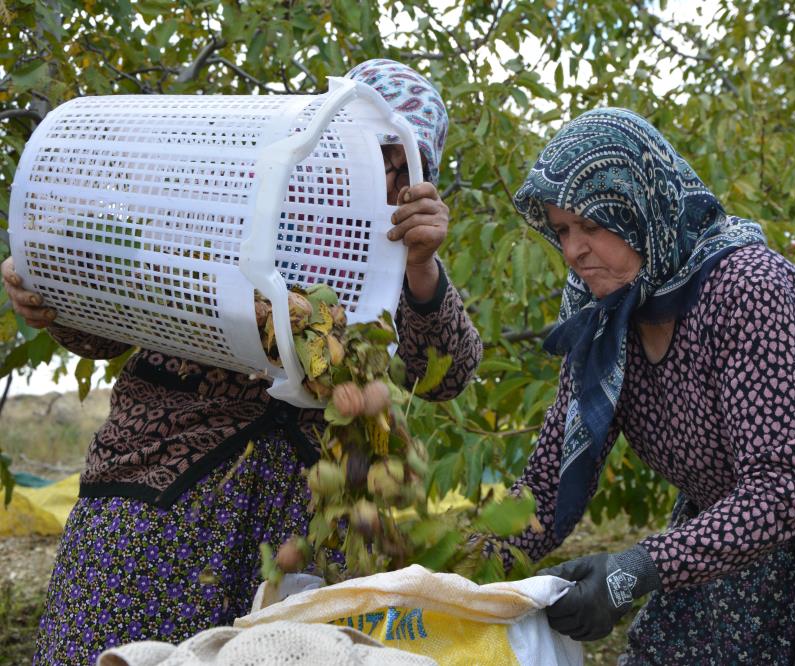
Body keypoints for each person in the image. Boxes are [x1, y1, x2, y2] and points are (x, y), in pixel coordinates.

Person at [1, 59, 482, 665]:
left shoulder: (396, 252)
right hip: (162, 492)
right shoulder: (234, 191)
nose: (384, 179)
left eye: (402, 167)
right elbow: (122, 313)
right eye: (373, 154)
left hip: (300, 523)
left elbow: (448, 373)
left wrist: (422, 268)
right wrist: (53, 295)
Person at [500, 108, 795, 663]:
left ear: (640, 210)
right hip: (735, 506)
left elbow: (781, 489)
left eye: (592, 225)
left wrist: (633, 571)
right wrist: (460, 569)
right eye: (562, 230)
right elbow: (548, 483)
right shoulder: (602, 323)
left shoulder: (743, 288)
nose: (573, 250)